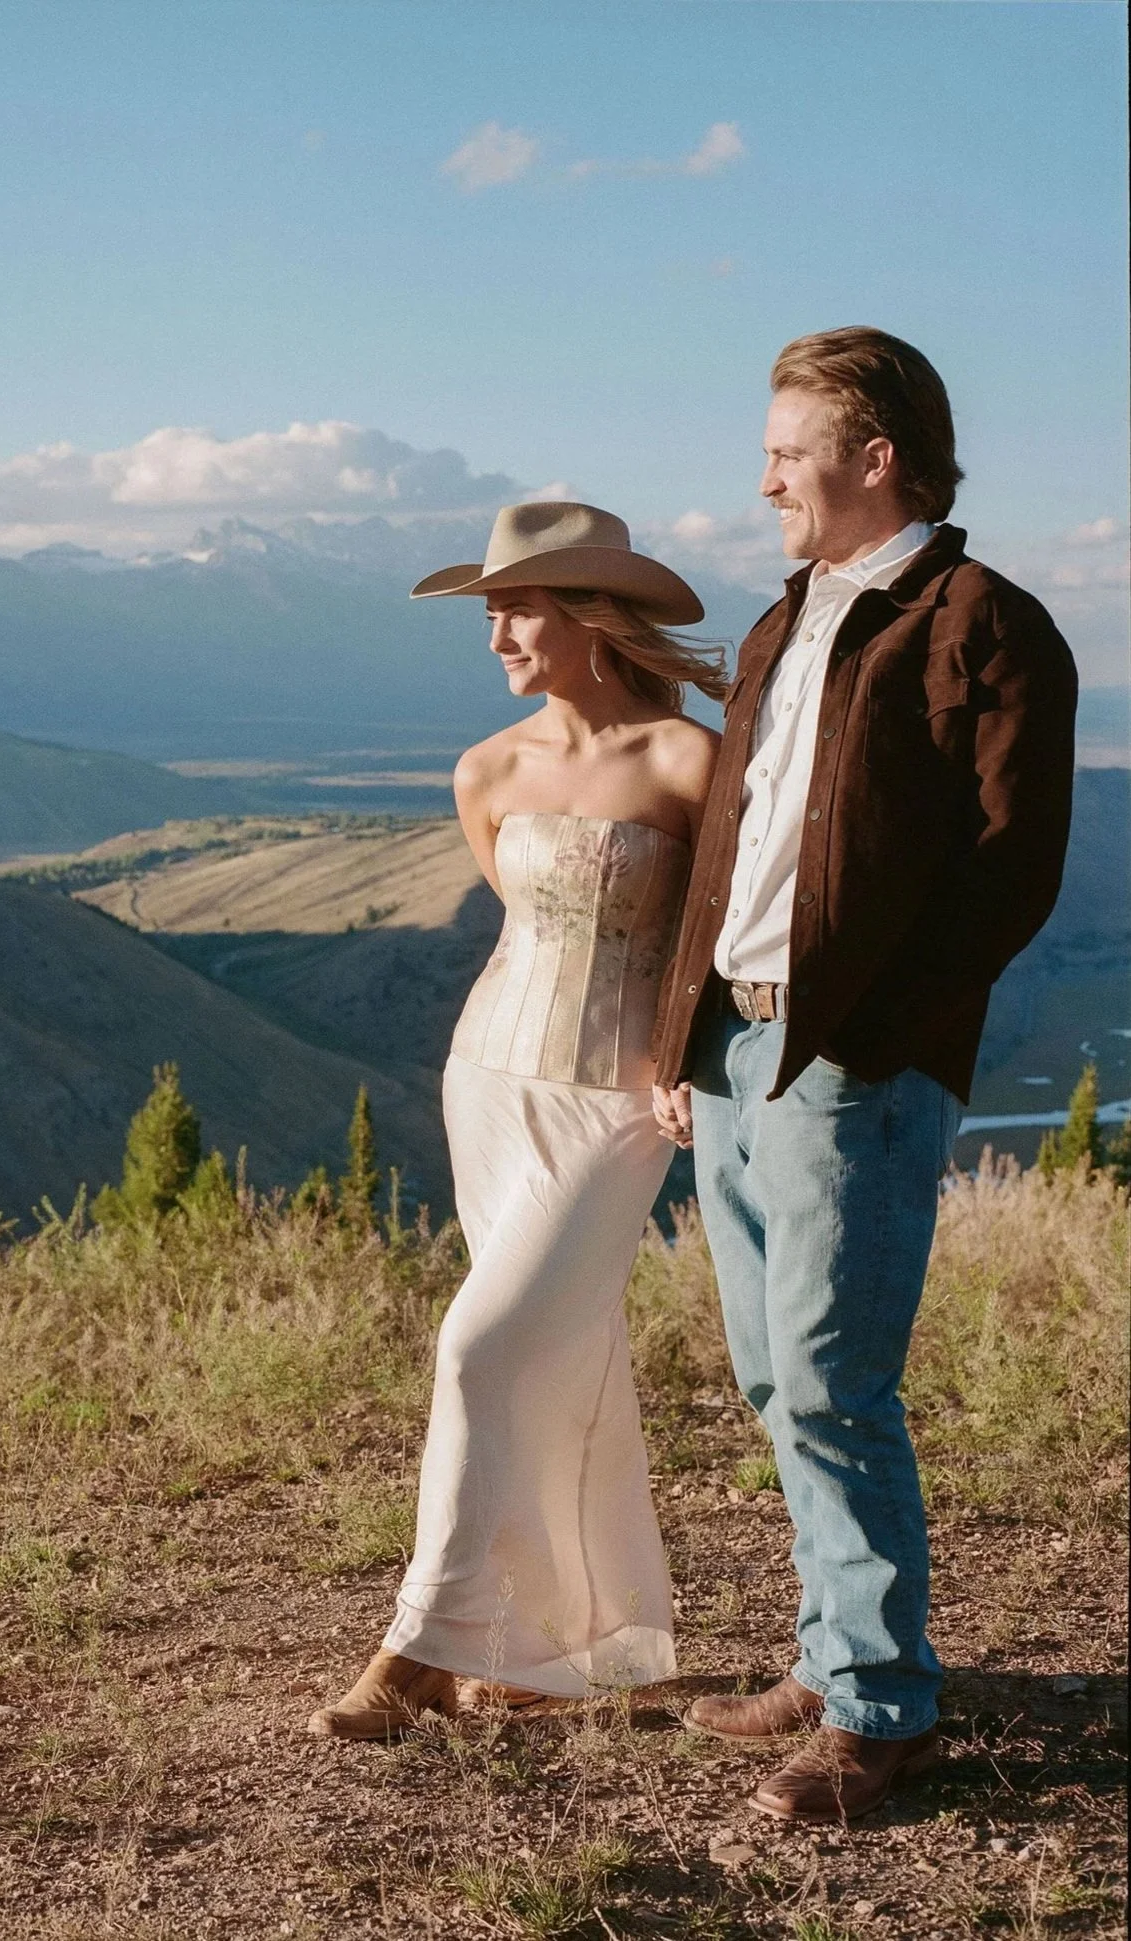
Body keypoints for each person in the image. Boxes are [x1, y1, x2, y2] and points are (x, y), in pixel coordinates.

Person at [652, 328, 1078, 1823]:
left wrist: (875, 1027)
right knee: (776, 1372)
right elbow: (736, 844)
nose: (763, 474)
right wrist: (683, 1037)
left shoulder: (986, 626)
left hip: (849, 1053)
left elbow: (1010, 870)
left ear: (873, 456)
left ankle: (885, 1710)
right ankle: (835, 1659)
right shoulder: (787, 619)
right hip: (732, 1044)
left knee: (835, 1377)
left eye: (787, 448)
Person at [309, 501, 724, 1738]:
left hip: (619, 1102)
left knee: (478, 1350)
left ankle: (421, 1649)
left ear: (592, 617)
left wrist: (687, 1060)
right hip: (490, 1080)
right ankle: (573, 1649)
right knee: (554, 1354)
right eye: (489, 606)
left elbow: (712, 943)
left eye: (516, 605)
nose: (494, 629)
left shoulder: (689, 762)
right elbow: (522, 921)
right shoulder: (484, 769)